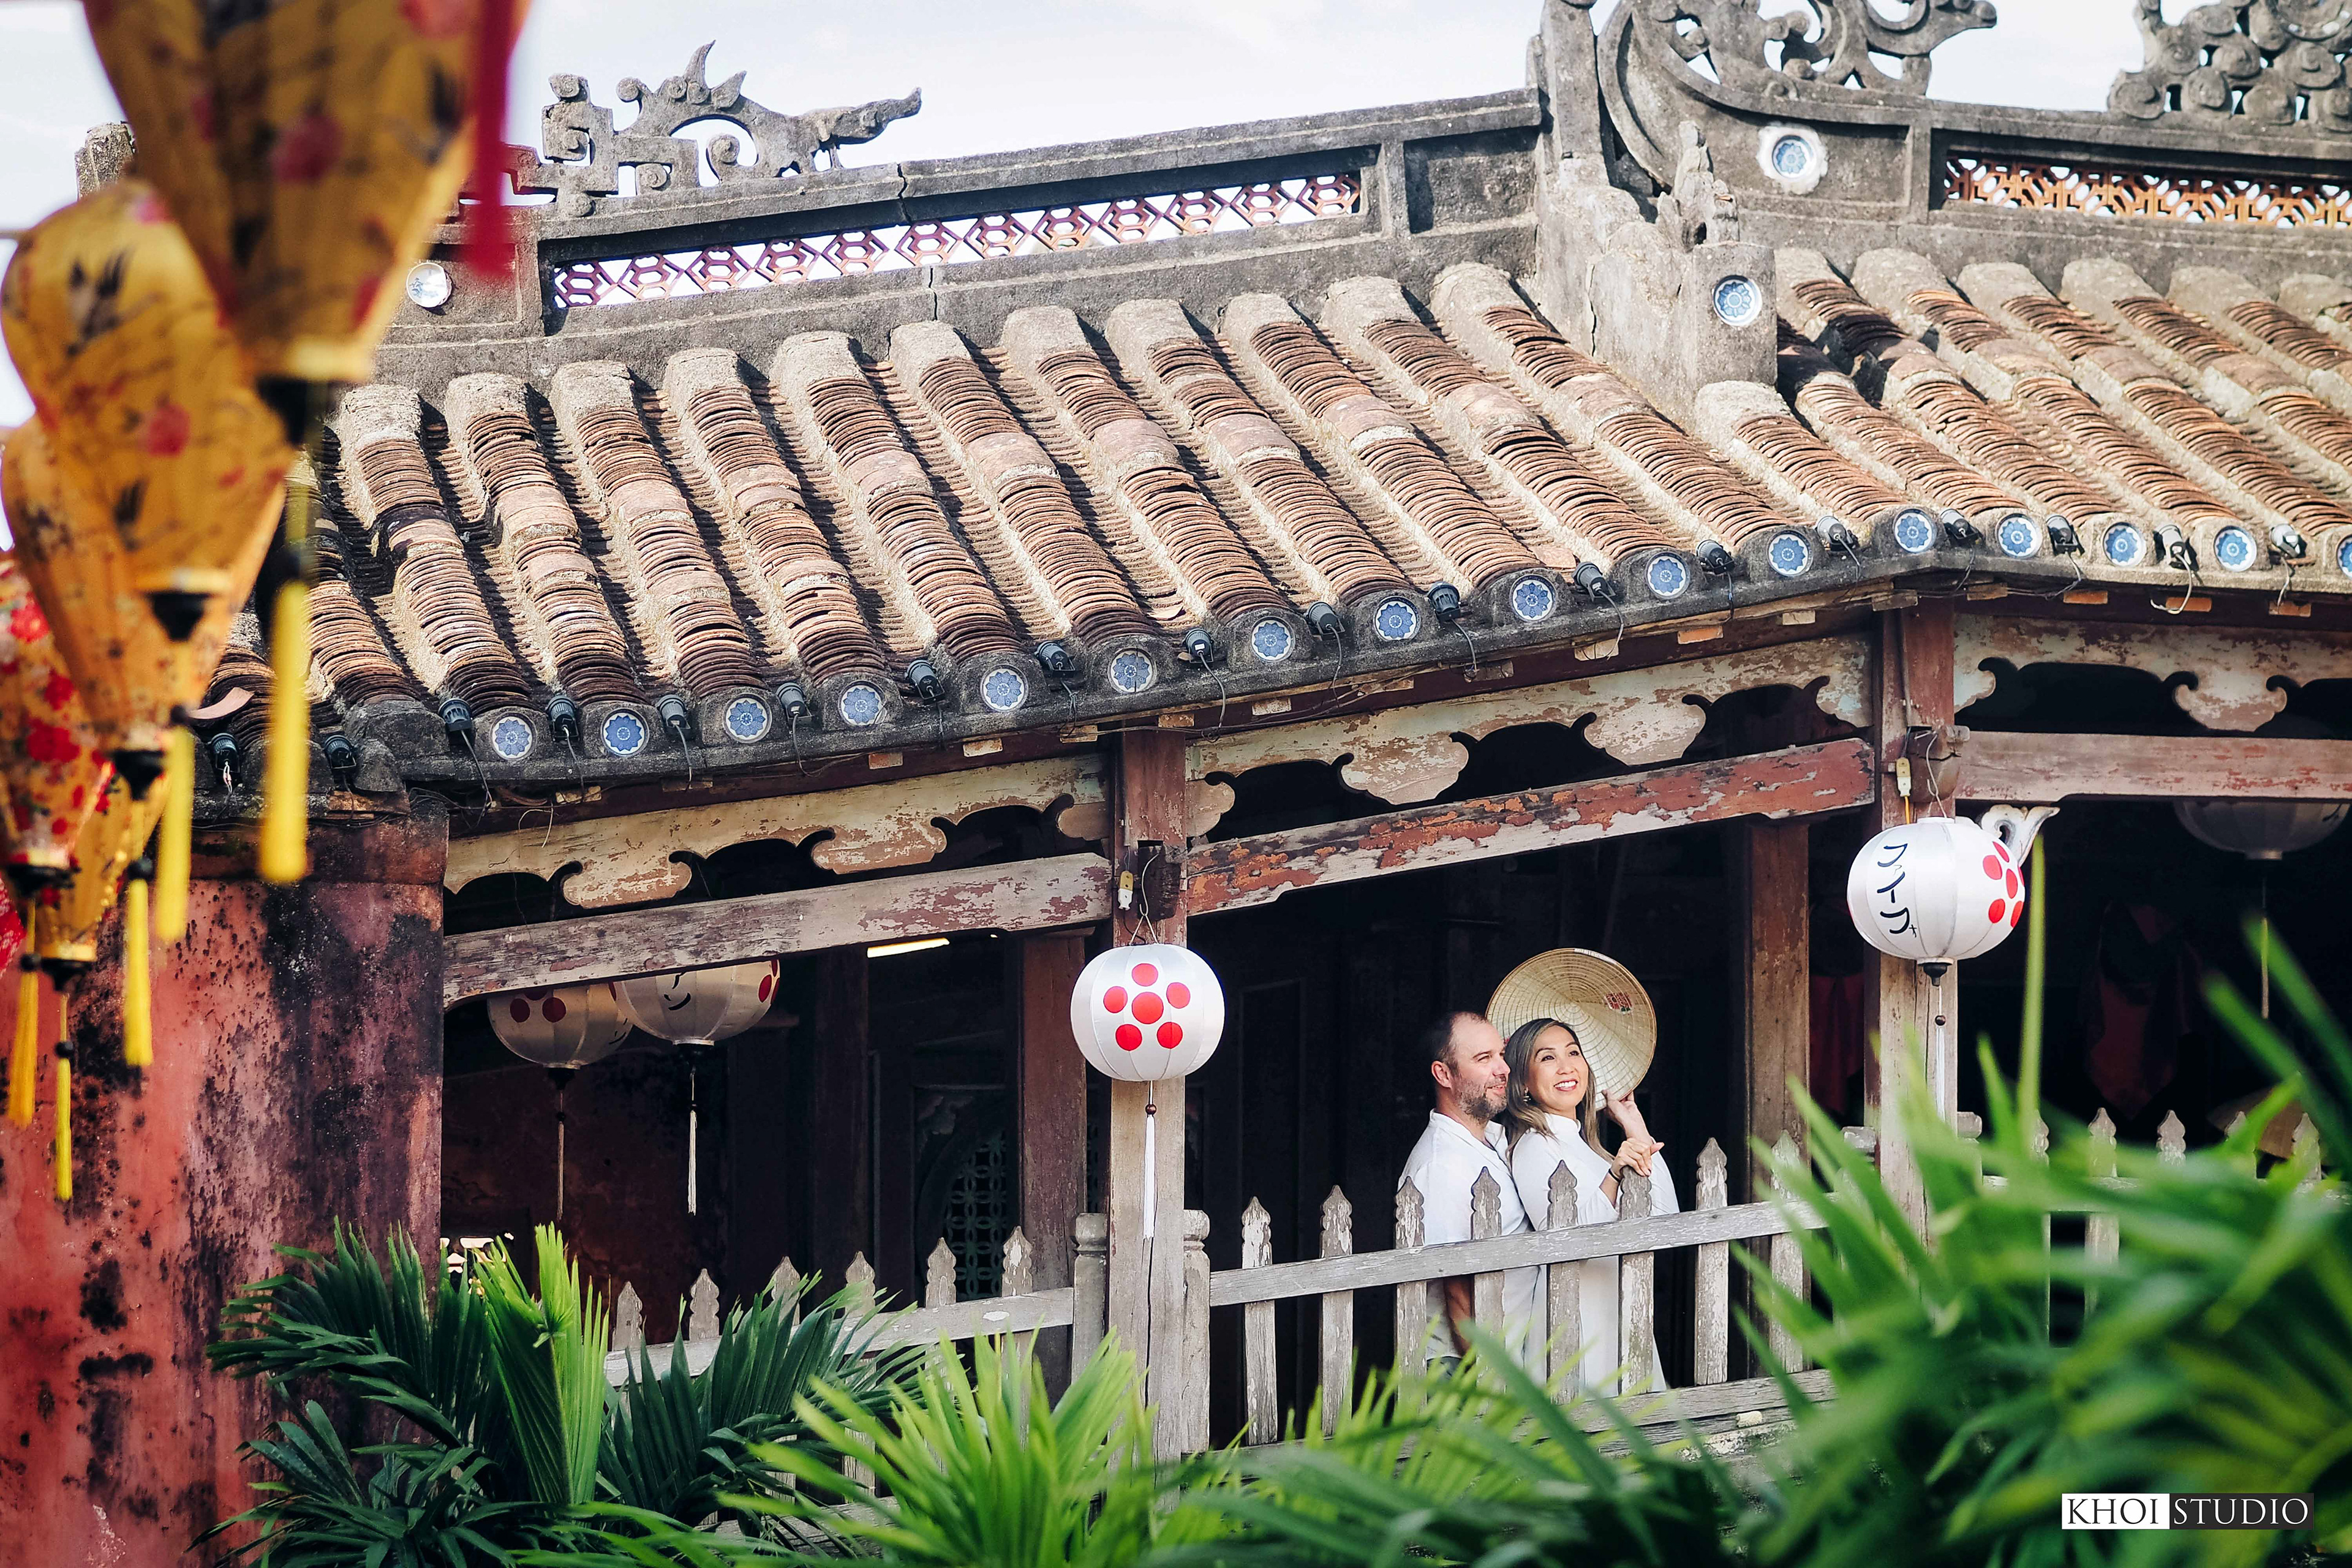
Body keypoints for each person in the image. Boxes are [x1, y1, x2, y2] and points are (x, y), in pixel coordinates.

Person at [1500, 1015, 1679, 1393]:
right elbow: (1571, 1242)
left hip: (1614, 1305)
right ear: (1524, 1083)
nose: (1566, 1067)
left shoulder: (1588, 1148)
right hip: (1575, 1314)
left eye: (1573, 1053)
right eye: (1547, 1058)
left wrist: (1634, 1124)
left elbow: (1667, 1218)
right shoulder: (1534, 1146)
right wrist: (1614, 1175)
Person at [1396, 1011, 1539, 1368]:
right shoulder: (1440, 1163)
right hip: (1463, 1367)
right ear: (1444, 1074)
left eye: (1501, 1054)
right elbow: (1457, 1292)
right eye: (1483, 1059)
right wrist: (1491, 1383)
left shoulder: (1492, 1139)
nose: (1503, 1069)